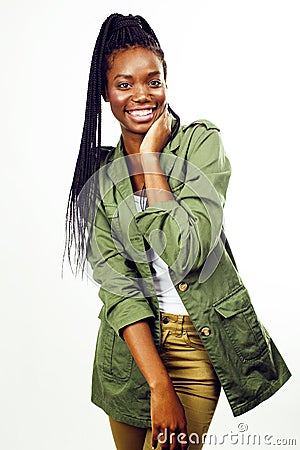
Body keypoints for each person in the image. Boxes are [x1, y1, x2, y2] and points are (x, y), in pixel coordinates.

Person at [63, 13, 291, 450]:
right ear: (105, 93)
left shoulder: (201, 145)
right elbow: (117, 289)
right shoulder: (99, 173)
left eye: (153, 81)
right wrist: (158, 386)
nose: (141, 95)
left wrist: (150, 161)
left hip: (195, 345)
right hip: (130, 353)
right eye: (124, 84)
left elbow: (188, 250)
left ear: (167, 83)